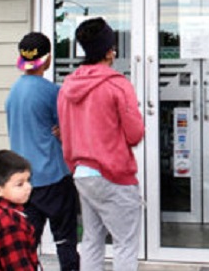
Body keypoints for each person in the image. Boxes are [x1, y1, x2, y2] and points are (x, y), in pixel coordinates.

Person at [58, 17, 144, 271]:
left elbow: (64, 130)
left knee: (92, 240)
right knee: (125, 244)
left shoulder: (67, 86)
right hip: (113, 174)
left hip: (82, 173)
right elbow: (135, 134)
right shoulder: (117, 85)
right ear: (110, 51)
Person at [6, 32, 80, 270]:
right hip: (54, 178)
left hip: (24, 181)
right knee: (65, 240)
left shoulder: (13, 93)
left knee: (26, 246)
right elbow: (69, 131)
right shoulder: (52, 92)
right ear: (47, 59)